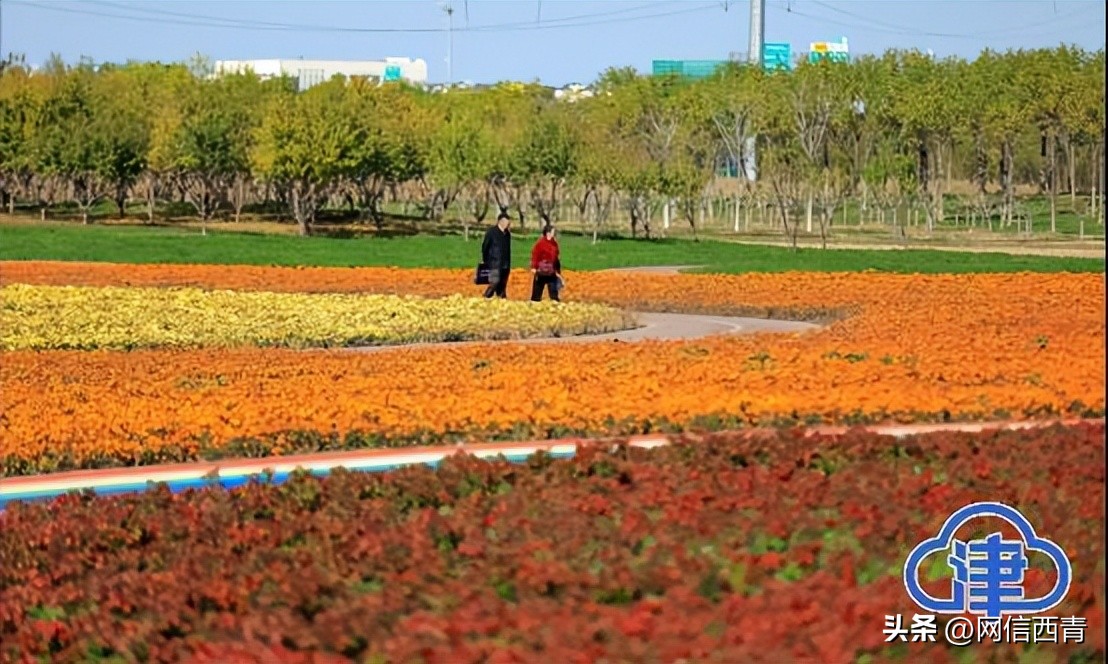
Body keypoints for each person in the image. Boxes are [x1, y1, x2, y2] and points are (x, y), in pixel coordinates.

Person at [481, 210, 512, 299]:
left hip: (505, 263)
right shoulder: (491, 232)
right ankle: (486, 297)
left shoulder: (507, 234)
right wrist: (485, 260)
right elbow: (485, 247)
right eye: (506, 222)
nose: (507, 224)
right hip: (494, 262)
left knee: (502, 285)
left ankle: (501, 300)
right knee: (494, 282)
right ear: (500, 221)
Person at [530, 224, 563, 302]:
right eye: (553, 232)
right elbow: (535, 255)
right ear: (548, 233)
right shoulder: (540, 244)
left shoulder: (554, 244)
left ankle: (555, 304)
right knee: (536, 294)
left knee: (554, 293)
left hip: (551, 272)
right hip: (541, 271)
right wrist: (534, 267)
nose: (554, 234)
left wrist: (557, 271)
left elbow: (556, 258)